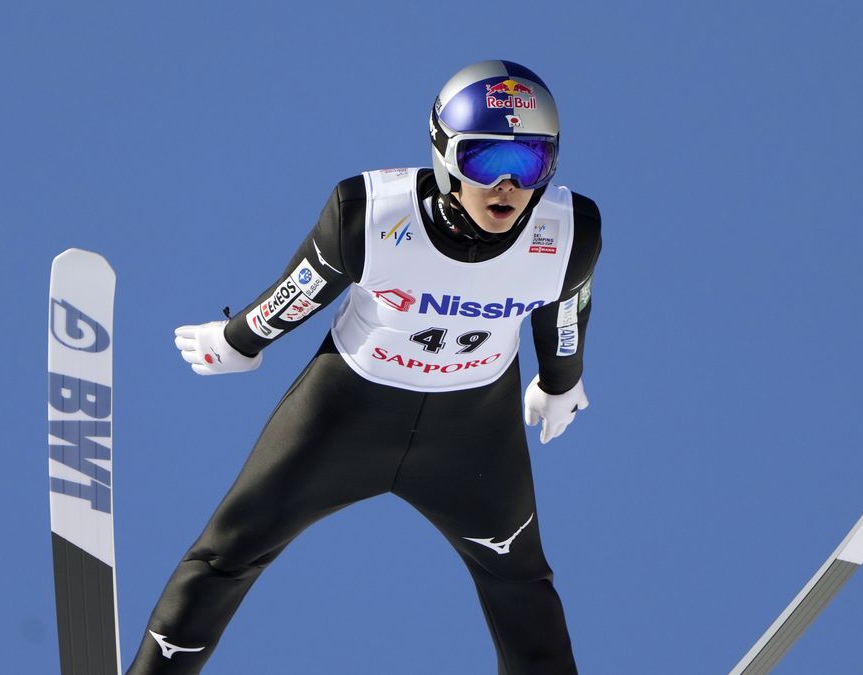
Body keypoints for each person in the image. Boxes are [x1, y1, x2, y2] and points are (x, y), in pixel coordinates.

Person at [127, 59, 601, 675]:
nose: (507, 184)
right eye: (485, 160)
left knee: (521, 583)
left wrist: (561, 383)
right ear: (445, 155)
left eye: (531, 161)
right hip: (345, 414)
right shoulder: (371, 213)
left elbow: (564, 315)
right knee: (227, 552)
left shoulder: (569, 231)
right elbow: (301, 290)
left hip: (473, 435)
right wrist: (238, 339)